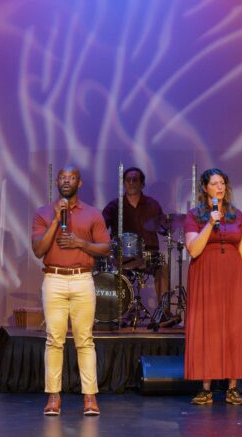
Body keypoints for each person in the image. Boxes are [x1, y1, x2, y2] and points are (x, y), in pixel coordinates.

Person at [182, 168, 242, 406]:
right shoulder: (194, 216)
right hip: (204, 277)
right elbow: (194, 249)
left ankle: (232, 388)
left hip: (232, 277)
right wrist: (210, 223)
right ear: (205, 188)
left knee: (233, 327)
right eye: (214, 183)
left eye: (222, 183)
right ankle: (206, 388)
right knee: (206, 328)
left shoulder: (237, 216)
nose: (219, 187)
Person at [32, 166, 111, 416]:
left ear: (80, 182)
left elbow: (105, 248)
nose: (67, 181)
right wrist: (57, 219)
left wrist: (80, 243)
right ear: (57, 181)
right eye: (63, 178)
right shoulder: (43, 213)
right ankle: (53, 397)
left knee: (84, 340)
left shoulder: (93, 213)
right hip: (54, 278)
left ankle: (90, 398)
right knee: (54, 339)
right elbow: (38, 250)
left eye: (72, 178)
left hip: (81, 279)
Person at [102, 167, 168, 299]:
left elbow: (163, 228)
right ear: (124, 183)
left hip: (148, 254)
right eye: (128, 180)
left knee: (163, 267)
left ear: (142, 184)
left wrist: (167, 228)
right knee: (116, 273)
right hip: (123, 256)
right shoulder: (113, 206)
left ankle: (163, 313)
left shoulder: (153, 204)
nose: (131, 182)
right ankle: (123, 313)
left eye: (135, 179)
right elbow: (101, 228)